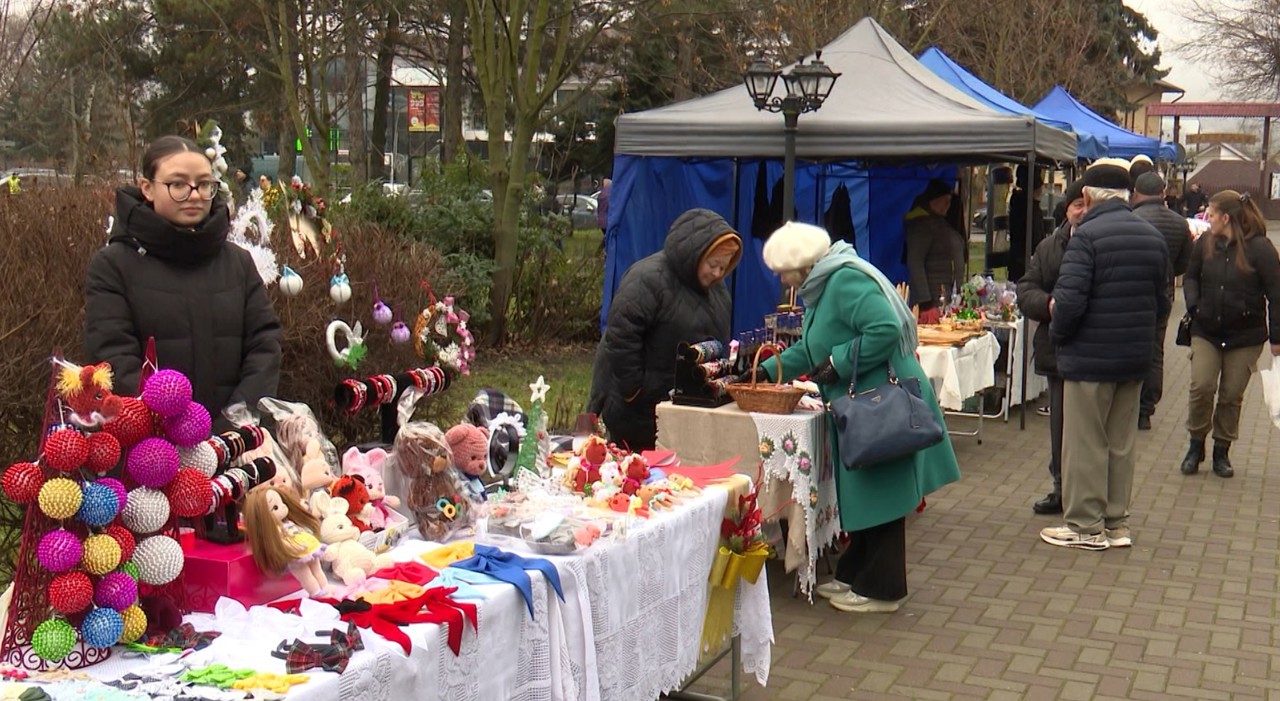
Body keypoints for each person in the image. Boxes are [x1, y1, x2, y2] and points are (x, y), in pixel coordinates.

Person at [758, 222, 960, 613]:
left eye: (783, 271)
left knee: (884, 493)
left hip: (882, 402)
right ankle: (855, 573)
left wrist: (838, 362)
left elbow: (884, 329)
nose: (782, 280)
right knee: (868, 491)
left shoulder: (844, 281)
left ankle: (883, 590)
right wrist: (768, 370)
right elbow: (811, 348)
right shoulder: (824, 286)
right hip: (867, 402)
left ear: (802, 265)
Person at [84, 135, 282, 422]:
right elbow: (113, 358)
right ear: (147, 188)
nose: (195, 195)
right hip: (152, 441)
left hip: (236, 437)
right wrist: (172, 427)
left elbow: (264, 346)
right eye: (178, 184)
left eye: (204, 184)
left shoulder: (237, 263)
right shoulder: (114, 266)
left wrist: (234, 425)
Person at [1040, 160, 1169, 551]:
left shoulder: (1086, 237)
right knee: (1120, 444)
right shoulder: (1152, 236)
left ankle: (1084, 525)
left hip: (1090, 357)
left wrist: (1059, 337)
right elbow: (1162, 302)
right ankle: (1116, 522)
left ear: (1087, 195)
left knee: (1085, 443)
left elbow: (1069, 303)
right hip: (1134, 356)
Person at [591, 208, 741, 451]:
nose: (717, 273)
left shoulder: (717, 290)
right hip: (639, 415)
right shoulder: (646, 278)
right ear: (695, 252)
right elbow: (621, 337)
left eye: (723, 267)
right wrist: (634, 391)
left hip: (685, 413)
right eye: (713, 264)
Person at [1179, 190, 1280, 478]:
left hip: (1245, 336)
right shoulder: (1205, 243)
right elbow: (1190, 276)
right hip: (1206, 330)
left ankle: (1221, 450)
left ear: (1225, 218)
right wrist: (1194, 305)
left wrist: (1277, 338)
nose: (1207, 218)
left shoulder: (1261, 249)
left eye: (1211, 214)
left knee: (1231, 395)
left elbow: (1276, 295)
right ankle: (1195, 444)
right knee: (1201, 387)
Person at [1018, 177, 1086, 516]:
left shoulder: (1103, 244)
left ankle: (1086, 492)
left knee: (1087, 428)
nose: (1082, 211)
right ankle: (1060, 487)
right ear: (1067, 209)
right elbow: (1026, 289)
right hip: (1057, 348)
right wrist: (1048, 304)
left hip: (1094, 352)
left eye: (1087, 205)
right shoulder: (1049, 247)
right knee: (1059, 423)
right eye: (1077, 205)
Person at [1131, 172, 1193, 430]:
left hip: (1132, 292)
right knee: (1155, 350)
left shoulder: (1131, 219)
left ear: (1135, 193)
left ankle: (1128, 403)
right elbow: (1184, 263)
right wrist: (1167, 274)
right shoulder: (1179, 224)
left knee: (1130, 346)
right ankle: (1146, 409)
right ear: (1163, 192)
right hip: (1162, 293)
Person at [904, 179, 966, 323]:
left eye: (949, 201)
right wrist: (926, 302)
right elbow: (915, 262)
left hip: (942, 298)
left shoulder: (938, 222)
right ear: (933, 200)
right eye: (945, 201)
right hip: (929, 303)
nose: (947, 205)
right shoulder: (921, 225)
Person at [1008, 164, 1047, 283]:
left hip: (1020, 259)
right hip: (1024, 261)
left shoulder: (1021, 202)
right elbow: (1035, 235)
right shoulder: (1028, 206)